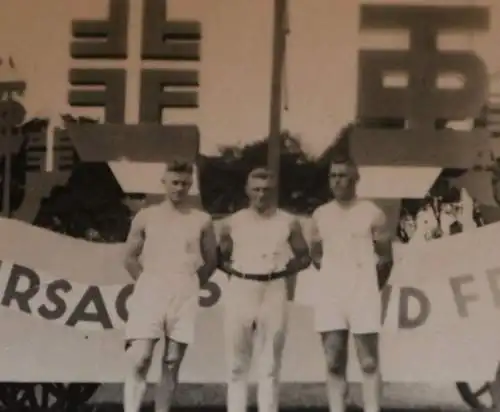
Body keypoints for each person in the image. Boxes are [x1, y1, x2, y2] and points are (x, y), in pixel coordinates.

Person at [122, 159, 218, 412]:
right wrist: (147, 282)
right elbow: (129, 257)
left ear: (191, 186)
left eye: (185, 184)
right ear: (163, 181)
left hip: (184, 290)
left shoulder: (202, 220)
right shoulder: (146, 216)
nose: (179, 188)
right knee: (140, 357)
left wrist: (191, 283)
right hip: (151, 288)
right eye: (175, 182)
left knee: (172, 361)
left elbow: (211, 260)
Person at [218, 167, 311, 412]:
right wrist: (241, 272)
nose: (261, 195)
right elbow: (220, 257)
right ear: (247, 191)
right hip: (241, 289)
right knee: (237, 365)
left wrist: (282, 270)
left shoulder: (288, 222)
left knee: (269, 365)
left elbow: (304, 256)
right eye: (256, 189)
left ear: (274, 192)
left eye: (267, 190)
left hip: (273, 289)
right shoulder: (232, 222)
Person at [309, 156, 394, 412]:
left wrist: (368, 286)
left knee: (368, 361)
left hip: (362, 293)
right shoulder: (320, 214)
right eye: (333, 176)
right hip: (331, 296)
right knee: (334, 360)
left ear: (356, 179)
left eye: (343, 175)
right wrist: (335, 279)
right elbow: (316, 254)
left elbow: (385, 258)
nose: (338, 181)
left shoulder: (371, 212)